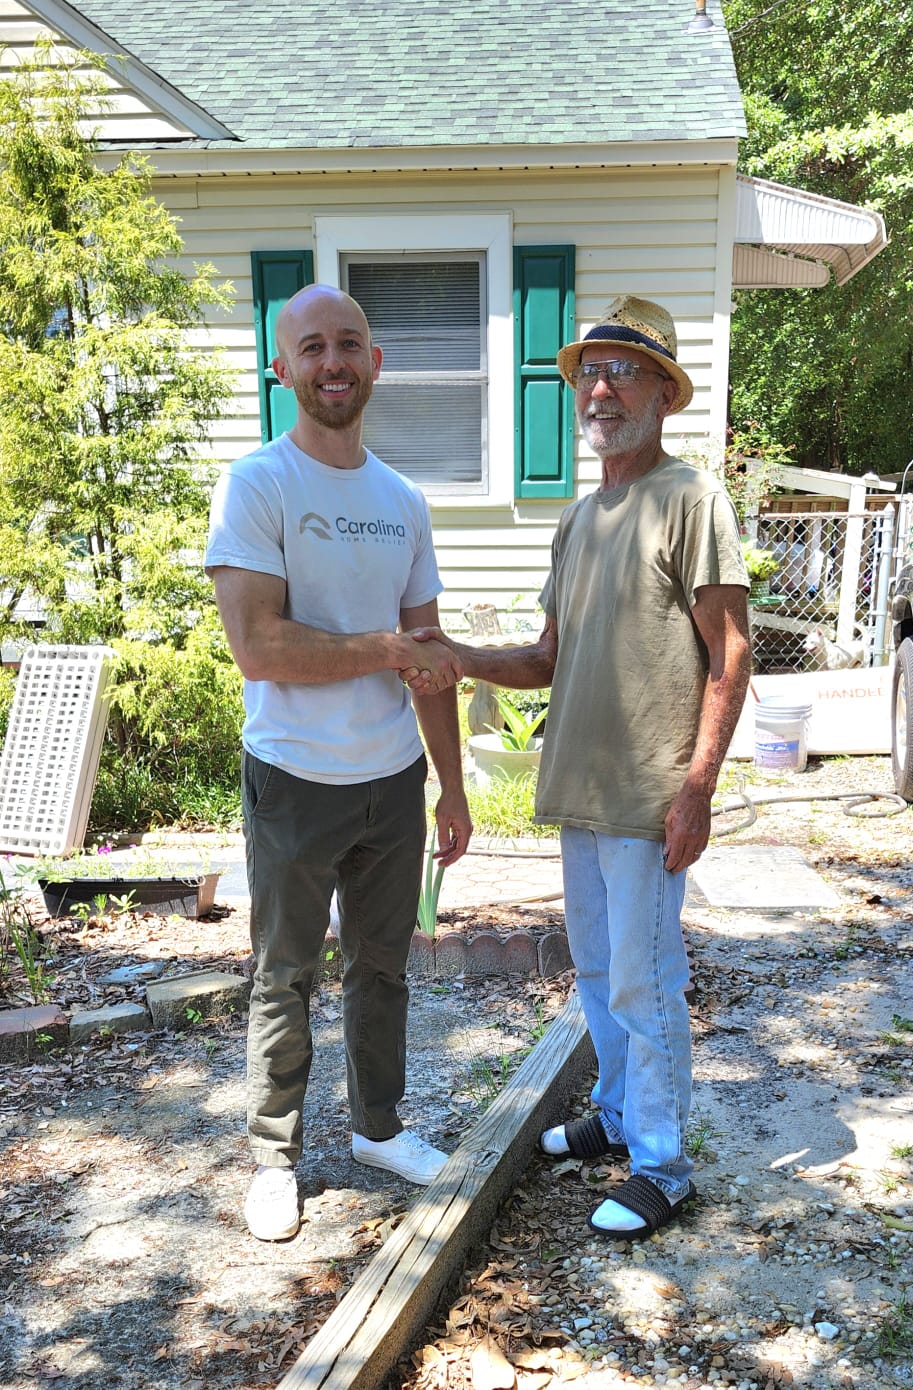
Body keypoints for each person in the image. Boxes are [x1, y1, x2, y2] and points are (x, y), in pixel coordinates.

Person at [414, 296, 751, 1240]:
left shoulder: (693, 499)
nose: (599, 387)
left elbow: (731, 655)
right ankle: (615, 1113)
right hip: (581, 790)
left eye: (622, 370)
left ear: (663, 393)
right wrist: (459, 656)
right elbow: (546, 658)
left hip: (650, 798)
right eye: (588, 371)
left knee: (646, 977)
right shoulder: (578, 519)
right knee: (600, 970)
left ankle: (664, 1167)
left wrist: (698, 789)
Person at [205, 283, 472, 1242]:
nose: (333, 363)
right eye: (312, 347)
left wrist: (450, 781)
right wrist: (383, 651)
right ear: (283, 369)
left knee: (383, 968)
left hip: (393, 782)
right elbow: (259, 648)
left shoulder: (402, 500)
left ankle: (377, 1129)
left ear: (375, 364)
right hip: (292, 778)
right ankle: (274, 1157)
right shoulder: (258, 485)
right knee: (284, 974)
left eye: (349, 344)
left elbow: (431, 654)